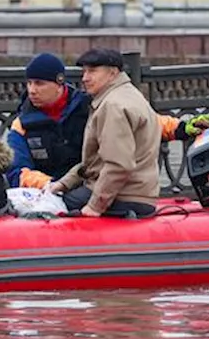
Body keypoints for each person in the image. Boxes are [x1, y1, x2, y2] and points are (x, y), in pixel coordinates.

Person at [7, 52, 209, 190]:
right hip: (52, 192)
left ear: (59, 83)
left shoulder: (89, 105)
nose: (32, 90)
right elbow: (18, 171)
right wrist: (51, 185)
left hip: (93, 185)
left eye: (39, 83)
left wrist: (183, 128)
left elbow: (142, 121)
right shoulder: (22, 124)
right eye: (29, 84)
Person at [49, 48, 162, 219]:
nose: (85, 78)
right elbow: (97, 161)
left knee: (51, 208)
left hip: (123, 197)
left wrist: (95, 207)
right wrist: (64, 183)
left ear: (112, 73)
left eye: (92, 71)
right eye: (84, 71)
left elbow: (119, 165)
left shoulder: (113, 106)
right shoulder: (128, 95)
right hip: (138, 192)